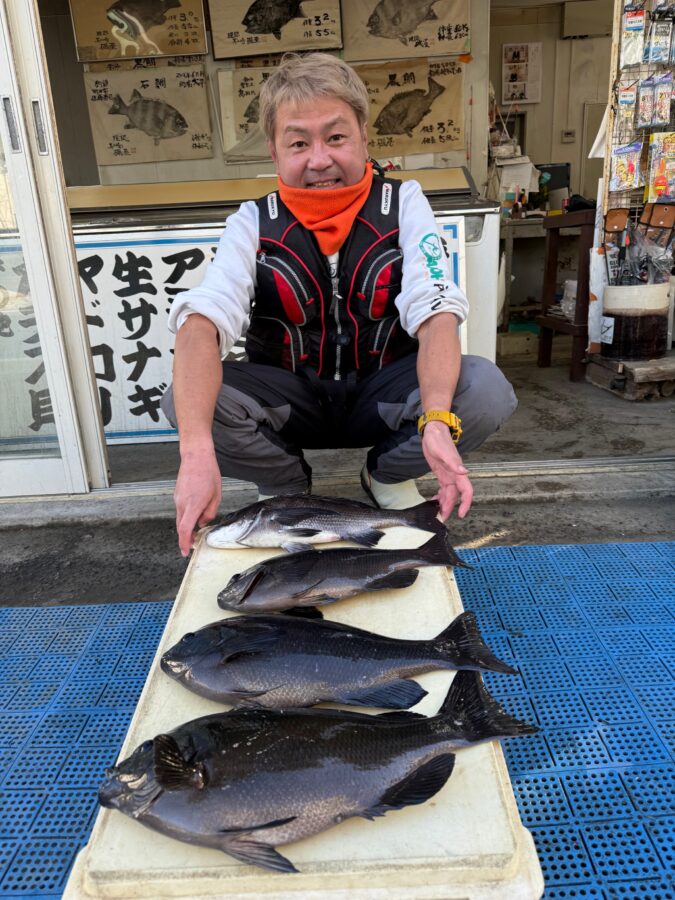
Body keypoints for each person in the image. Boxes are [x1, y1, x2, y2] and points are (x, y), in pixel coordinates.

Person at [161, 52, 517, 556]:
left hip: (381, 394)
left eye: (335, 137)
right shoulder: (251, 221)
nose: (319, 159)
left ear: (364, 136)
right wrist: (194, 455)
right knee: (186, 399)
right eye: (299, 142)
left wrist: (436, 419)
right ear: (274, 150)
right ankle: (287, 489)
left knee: (484, 390)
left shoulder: (406, 203)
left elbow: (436, 310)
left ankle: (384, 477)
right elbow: (203, 321)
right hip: (294, 400)